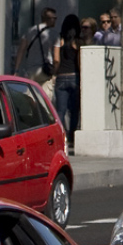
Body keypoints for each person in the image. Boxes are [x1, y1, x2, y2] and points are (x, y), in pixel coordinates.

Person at [53, 14, 82, 146]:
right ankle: (72, 137)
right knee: (74, 110)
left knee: (60, 110)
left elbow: (56, 59)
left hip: (60, 78)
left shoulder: (60, 39)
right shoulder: (77, 42)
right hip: (74, 77)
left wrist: (55, 73)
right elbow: (80, 62)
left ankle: (59, 136)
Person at [13, 8, 57, 84]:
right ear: (49, 19)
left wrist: (16, 70)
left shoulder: (30, 31)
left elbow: (21, 51)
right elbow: (57, 59)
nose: (55, 20)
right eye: (54, 18)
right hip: (46, 71)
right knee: (45, 95)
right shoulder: (54, 34)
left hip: (30, 70)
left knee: (30, 94)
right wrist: (54, 74)